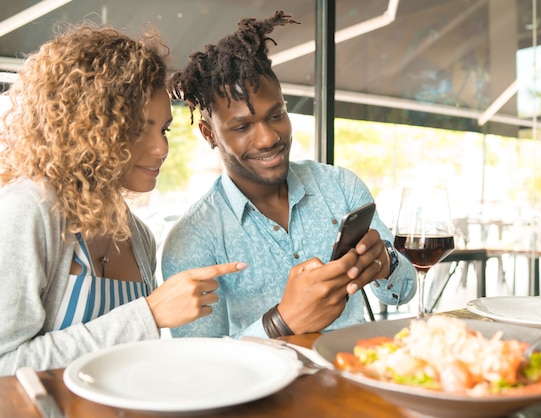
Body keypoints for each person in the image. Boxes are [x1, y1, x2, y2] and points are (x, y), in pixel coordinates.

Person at [0, 24, 246, 376]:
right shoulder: (29, 210)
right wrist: (150, 313)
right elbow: (5, 365)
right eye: (135, 129)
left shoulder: (138, 236)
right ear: (86, 125)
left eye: (163, 130)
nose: (161, 149)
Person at [162, 10, 416, 339]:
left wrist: (385, 263)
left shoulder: (340, 187)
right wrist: (281, 322)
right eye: (242, 127)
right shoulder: (192, 241)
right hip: (264, 391)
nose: (269, 138)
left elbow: (404, 290)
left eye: (276, 114)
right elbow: (201, 370)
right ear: (209, 134)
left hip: (354, 377)